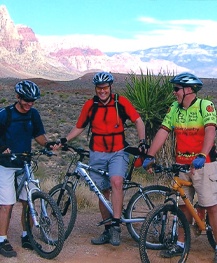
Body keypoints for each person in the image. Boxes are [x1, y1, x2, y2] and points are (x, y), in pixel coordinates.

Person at [56, 71, 146, 246]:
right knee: (103, 192)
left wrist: (142, 141)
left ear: (110, 87)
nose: (102, 91)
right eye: (99, 88)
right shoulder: (91, 105)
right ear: (96, 88)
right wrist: (65, 139)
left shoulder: (121, 102)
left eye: (105, 88)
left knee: (116, 181)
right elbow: (79, 126)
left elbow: (138, 120)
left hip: (118, 151)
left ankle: (116, 227)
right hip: (97, 153)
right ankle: (107, 230)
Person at [142, 72, 217, 262]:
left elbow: (210, 131)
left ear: (189, 90)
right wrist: (150, 155)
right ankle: (181, 244)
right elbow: (162, 132)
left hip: (204, 164)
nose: (174, 92)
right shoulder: (174, 108)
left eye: (176, 89)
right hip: (181, 165)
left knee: (212, 207)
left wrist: (202, 154)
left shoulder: (205, 106)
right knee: (183, 207)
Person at [0, 80, 52, 258]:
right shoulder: (5, 114)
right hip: (6, 164)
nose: (30, 103)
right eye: (27, 100)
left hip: (25, 163)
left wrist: (47, 144)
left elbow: (38, 134)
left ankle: (26, 236)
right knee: (7, 204)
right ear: (18, 97)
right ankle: (2, 240)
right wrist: (2, 148)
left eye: (33, 101)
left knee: (29, 200)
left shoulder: (33, 114)